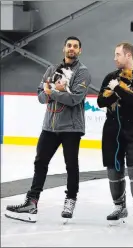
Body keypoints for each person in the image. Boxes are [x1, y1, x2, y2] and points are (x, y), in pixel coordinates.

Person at [4, 36, 91, 223]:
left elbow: (75, 98)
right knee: (40, 162)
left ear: (80, 50)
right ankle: (32, 201)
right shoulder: (51, 69)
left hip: (71, 128)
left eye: (76, 46)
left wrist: (52, 91)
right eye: (69, 45)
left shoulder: (83, 73)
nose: (72, 49)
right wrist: (52, 90)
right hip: (49, 126)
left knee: (71, 165)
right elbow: (41, 97)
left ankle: (70, 199)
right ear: (64, 48)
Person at [96, 42, 133, 230]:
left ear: (128, 55)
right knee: (113, 170)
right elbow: (101, 101)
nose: (115, 58)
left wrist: (118, 90)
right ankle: (119, 207)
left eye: (118, 54)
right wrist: (121, 93)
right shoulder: (110, 77)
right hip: (112, 129)